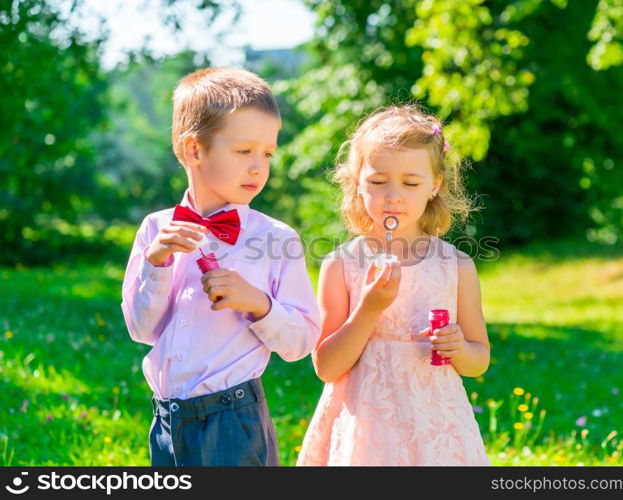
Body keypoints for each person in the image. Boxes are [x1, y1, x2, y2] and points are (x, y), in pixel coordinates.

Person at [121, 67, 320, 466]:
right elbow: (142, 330)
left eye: (267, 153)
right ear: (194, 150)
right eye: (244, 151)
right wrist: (156, 265)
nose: (258, 167)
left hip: (233, 419)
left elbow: (302, 341)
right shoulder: (156, 229)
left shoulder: (277, 238)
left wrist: (259, 303)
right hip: (167, 419)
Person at [297, 105, 490, 465]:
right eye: (378, 181)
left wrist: (458, 347)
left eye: (411, 182)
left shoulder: (455, 265)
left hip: (435, 423)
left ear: (434, 185)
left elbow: (478, 360)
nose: (393, 195)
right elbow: (326, 366)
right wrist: (369, 308)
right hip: (366, 424)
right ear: (357, 183)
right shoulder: (341, 264)